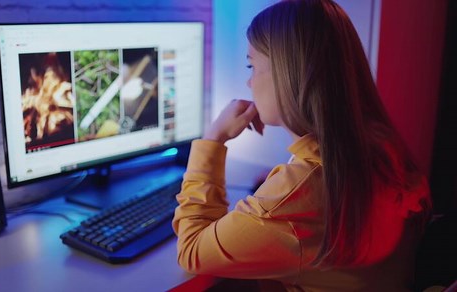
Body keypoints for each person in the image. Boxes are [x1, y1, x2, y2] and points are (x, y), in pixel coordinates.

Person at [172, 0, 432, 291]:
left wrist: (213, 140)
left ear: (289, 73)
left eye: (252, 66)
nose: (248, 82)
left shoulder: (297, 195)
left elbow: (191, 251)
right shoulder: (380, 144)